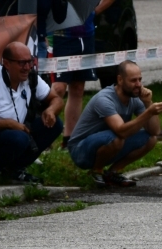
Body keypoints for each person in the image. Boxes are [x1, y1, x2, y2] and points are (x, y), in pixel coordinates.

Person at [0, 42, 63, 183]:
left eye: (29, 61)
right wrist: (8, 123)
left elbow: (57, 99)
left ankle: (15, 169)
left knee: (55, 125)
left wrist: (51, 110)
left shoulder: (30, 78)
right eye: (21, 63)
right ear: (7, 64)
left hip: (11, 135)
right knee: (19, 138)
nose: (27, 67)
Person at [67, 60, 162, 187]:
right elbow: (121, 131)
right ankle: (97, 171)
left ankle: (113, 173)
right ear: (120, 80)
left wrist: (148, 103)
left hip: (108, 142)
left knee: (150, 139)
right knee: (117, 138)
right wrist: (148, 113)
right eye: (133, 81)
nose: (138, 85)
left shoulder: (135, 99)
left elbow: (155, 131)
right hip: (80, 150)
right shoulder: (104, 99)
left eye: (140, 80)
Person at [51, 0, 116, 149]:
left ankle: (69, 139)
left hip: (86, 34)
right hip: (59, 34)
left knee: (78, 88)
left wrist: (95, 11)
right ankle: (45, 136)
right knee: (58, 88)